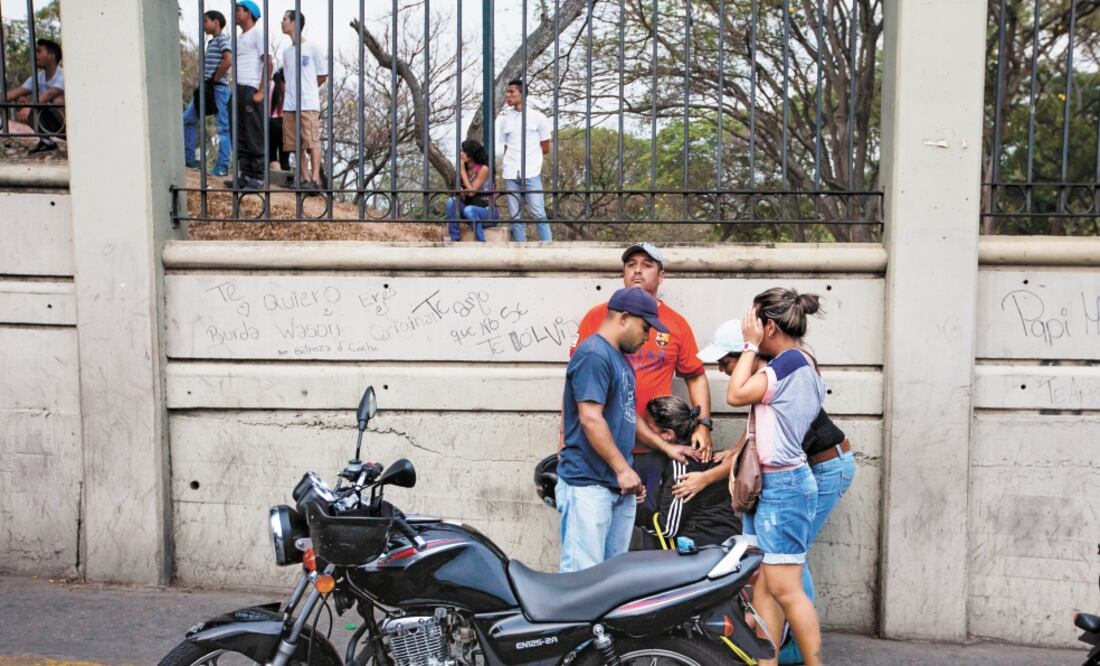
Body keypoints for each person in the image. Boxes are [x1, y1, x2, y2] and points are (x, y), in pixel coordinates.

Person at [699, 317, 857, 666]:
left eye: (726, 362)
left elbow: (748, 409)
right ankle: (770, 653)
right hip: (793, 476)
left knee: (787, 573)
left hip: (825, 467)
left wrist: (705, 479)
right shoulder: (770, 381)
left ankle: (796, 651)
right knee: (775, 573)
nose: (725, 370)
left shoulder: (783, 375)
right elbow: (758, 433)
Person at [568, 243, 714, 519]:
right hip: (600, 444)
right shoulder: (597, 319)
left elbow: (695, 375)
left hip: (652, 446)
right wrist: (565, 441)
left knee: (649, 524)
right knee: (594, 524)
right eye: (630, 264)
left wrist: (703, 425)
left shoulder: (675, 324)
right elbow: (578, 386)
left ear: (661, 276)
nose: (637, 270)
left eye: (647, 265)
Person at [725, 288, 826, 666]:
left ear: (769, 326)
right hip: (775, 485)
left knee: (785, 589)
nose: (746, 330)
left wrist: (750, 347)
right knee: (765, 587)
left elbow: (736, 394)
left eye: (752, 323)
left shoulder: (788, 363)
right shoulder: (802, 362)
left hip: (785, 487)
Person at [557, 287, 668, 572]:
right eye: (645, 328)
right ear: (624, 318)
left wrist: (631, 472)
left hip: (616, 487)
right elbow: (590, 418)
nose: (647, 337)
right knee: (583, 580)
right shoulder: (594, 354)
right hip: (588, 484)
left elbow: (626, 415)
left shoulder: (618, 358)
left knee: (611, 581)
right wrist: (623, 470)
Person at [642, 395, 741, 548]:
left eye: (648, 428)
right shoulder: (705, 456)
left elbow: (667, 527)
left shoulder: (683, 464)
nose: (644, 433)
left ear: (668, 434)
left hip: (702, 550)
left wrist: (635, 512)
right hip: (725, 540)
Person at [496, 79, 552, 242]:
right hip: (510, 172)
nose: (508, 95)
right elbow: (505, 147)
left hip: (531, 171)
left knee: (538, 213)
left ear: (522, 94)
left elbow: (546, 147)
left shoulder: (537, 117)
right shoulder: (505, 119)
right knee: (515, 216)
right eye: (507, 92)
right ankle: (521, 248)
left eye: (512, 92)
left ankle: (548, 247)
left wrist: (531, 158)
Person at [280, 9, 328, 190]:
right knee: (295, 143)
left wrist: (308, 90)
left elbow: (322, 75)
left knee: (312, 140)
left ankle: (315, 179)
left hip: (308, 103)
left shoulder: (312, 48)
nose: (282, 22)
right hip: (290, 103)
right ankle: (305, 178)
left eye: (284, 19)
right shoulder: (286, 52)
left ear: (294, 23)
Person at [182, 10, 232, 177]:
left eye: (206, 21)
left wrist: (215, 78)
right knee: (187, 119)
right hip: (207, 88)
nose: (203, 25)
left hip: (218, 88)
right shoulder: (212, 42)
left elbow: (228, 60)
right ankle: (189, 159)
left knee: (223, 127)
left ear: (216, 22)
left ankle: (222, 166)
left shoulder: (223, 39)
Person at [231, 0, 271, 190]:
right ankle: (246, 175)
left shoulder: (258, 33)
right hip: (238, 88)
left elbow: (268, 62)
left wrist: (261, 91)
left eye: (238, 9)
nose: (235, 12)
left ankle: (257, 176)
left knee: (254, 132)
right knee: (239, 133)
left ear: (249, 13)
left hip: (250, 87)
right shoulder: (239, 37)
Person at [4, 38, 64, 155]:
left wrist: (29, 107)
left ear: (51, 55)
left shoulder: (63, 74)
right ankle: (46, 142)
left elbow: (50, 93)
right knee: (21, 99)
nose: (35, 55)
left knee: (57, 99)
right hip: (48, 118)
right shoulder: (38, 76)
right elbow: (16, 92)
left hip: (64, 122)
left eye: (39, 51)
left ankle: (67, 136)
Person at [446, 139, 500, 242]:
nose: (461, 154)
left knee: (469, 209)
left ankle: (481, 241)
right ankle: (454, 238)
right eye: (461, 151)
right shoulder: (465, 170)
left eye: (464, 151)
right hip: (470, 211)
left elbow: (471, 192)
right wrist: (461, 192)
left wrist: (462, 171)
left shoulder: (483, 169)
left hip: (487, 213)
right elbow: (466, 194)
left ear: (471, 153)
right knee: (452, 201)